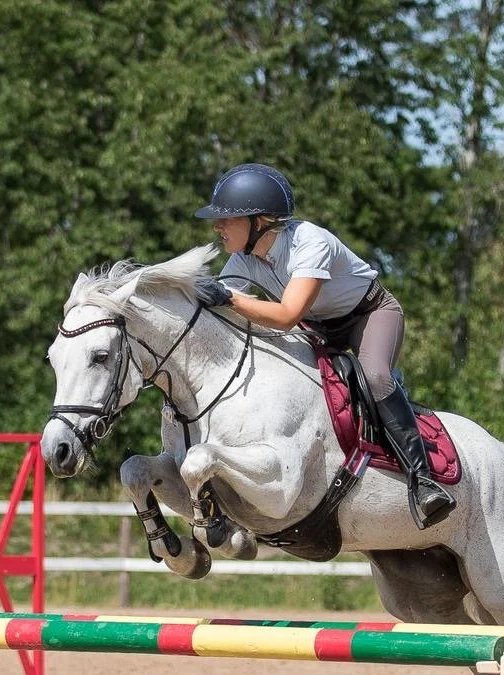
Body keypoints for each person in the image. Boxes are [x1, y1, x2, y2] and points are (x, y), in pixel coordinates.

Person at [189, 163, 455, 530]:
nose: (217, 227)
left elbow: (285, 314)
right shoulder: (242, 259)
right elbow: (223, 309)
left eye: (226, 219)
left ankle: (423, 481)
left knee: (375, 377)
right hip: (317, 327)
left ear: (260, 221)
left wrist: (227, 299)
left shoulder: (311, 242)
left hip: (368, 315)